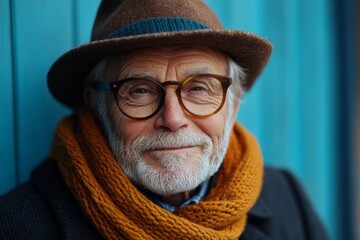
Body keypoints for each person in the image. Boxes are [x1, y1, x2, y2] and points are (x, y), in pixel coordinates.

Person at [0, 0, 329, 239]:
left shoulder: (287, 197)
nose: (173, 119)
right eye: (140, 90)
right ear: (97, 105)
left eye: (199, 88)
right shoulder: (16, 225)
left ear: (234, 104)